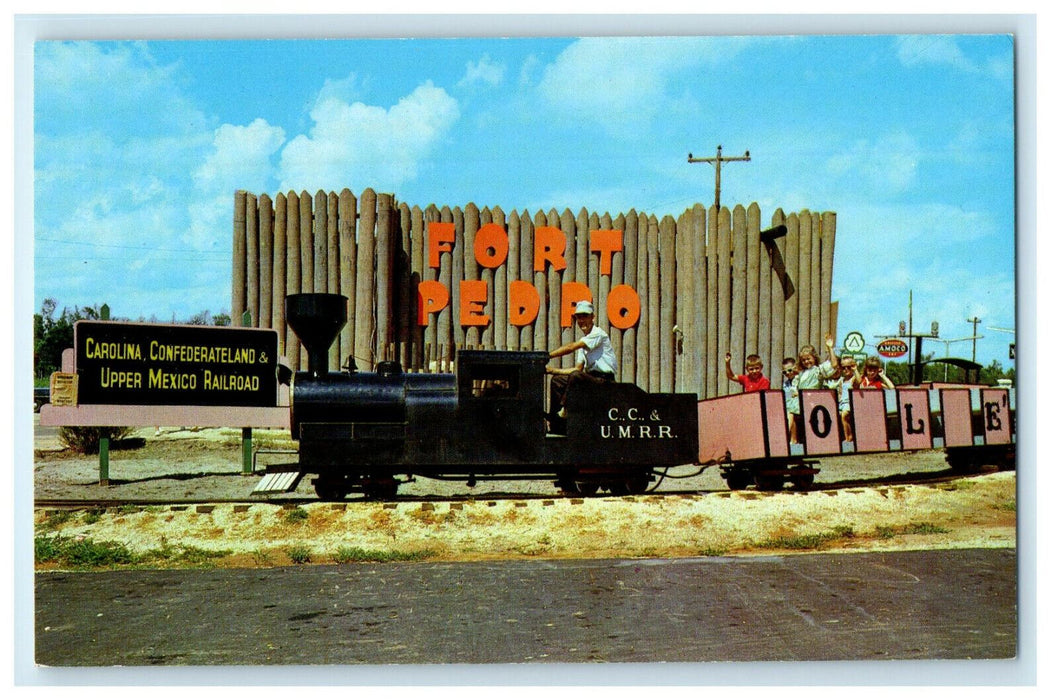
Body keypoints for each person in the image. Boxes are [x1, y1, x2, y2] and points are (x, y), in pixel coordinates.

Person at [545, 300, 617, 431]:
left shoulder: (598, 334)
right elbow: (577, 369)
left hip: (605, 382)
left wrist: (548, 356)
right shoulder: (584, 342)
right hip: (590, 379)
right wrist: (551, 370)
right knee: (557, 380)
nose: (582, 321)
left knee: (576, 376)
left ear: (592, 317)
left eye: (585, 316)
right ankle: (557, 424)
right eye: (579, 317)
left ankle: (565, 410)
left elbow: (571, 347)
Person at [827, 355, 860, 442]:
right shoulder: (842, 380)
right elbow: (840, 392)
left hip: (850, 403)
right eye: (843, 367)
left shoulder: (853, 379)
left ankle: (848, 437)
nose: (846, 369)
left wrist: (855, 370)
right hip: (842, 403)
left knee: (844, 415)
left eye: (849, 367)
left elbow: (859, 381)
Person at [780, 357, 801, 443]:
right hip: (790, 407)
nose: (787, 373)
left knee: (790, 414)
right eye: (784, 372)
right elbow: (786, 396)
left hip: (799, 406)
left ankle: (790, 439)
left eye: (789, 370)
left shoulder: (800, 379)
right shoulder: (786, 384)